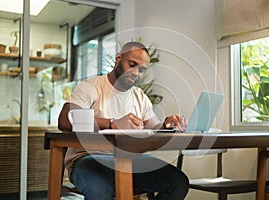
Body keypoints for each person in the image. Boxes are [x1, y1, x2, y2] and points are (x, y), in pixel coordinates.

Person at [58, 41, 189, 200]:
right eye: (132, 64)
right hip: (87, 157)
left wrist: (168, 124)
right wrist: (112, 124)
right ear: (118, 59)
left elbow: (154, 127)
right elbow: (65, 120)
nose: (136, 73)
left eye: (141, 70)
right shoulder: (91, 86)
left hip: (128, 159)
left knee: (178, 183)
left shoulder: (139, 96)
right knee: (100, 189)